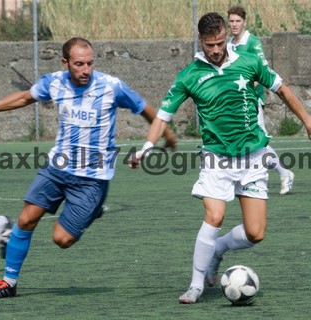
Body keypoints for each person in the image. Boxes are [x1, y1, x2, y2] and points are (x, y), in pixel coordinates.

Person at [131, 12, 311, 304]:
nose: (215, 50)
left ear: (227, 36)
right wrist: (148, 146)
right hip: (216, 159)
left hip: (252, 156)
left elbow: (283, 90)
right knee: (214, 216)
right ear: (200, 40)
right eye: (209, 44)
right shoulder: (189, 75)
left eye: (219, 42)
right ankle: (195, 285)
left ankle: (217, 250)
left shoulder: (249, 61)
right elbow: (163, 116)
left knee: (256, 233)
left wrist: (307, 120)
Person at [0, 37, 176, 299]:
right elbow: (23, 98)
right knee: (26, 219)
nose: (85, 70)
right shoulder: (53, 82)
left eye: (89, 63)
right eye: (79, 64)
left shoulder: (111, 87)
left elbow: (144, 108)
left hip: (92, 178)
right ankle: (9, 281)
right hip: (58, 168)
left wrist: (165, 134)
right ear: (65, 63)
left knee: (62, 240)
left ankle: (93, 208)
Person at [227, 4, 294, 195]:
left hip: (251, 100)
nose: (234, 24)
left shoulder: (253, 43)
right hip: (236, 103)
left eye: (237, 21)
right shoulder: (230, 44)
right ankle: (244, 178)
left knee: (259, 142)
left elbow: (260, 74)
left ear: (244, 22)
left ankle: (283, 173)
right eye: (231, 21)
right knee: (243, 140)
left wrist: (246, 90)